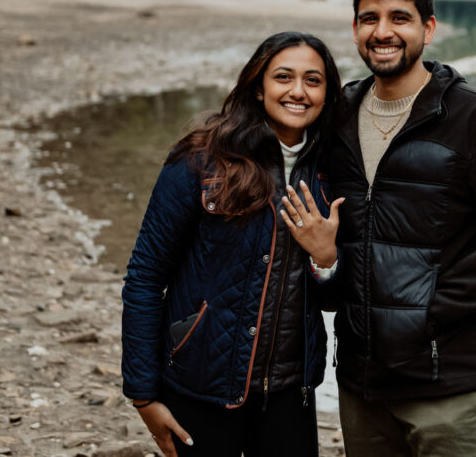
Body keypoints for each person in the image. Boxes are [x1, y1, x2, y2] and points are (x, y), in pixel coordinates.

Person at [326, 0, 476, 455]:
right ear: (355, 29)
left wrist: (427, 313)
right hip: (362, 384)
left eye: (399, 18)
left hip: (450, 385)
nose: (382, 32)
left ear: (428, 28)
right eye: (369, 18)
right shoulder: (337, 117)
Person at [120, 31, 345, 457]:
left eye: (313, 81)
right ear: (259, 87)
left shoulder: (332, 171)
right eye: (283, 77)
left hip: (289, 391)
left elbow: (332, 300)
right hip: (199, 382)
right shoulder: (200, 160)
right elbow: (145, 277)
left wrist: (326, 256)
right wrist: (144, 395)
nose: (298, 91)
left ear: (327, 93)